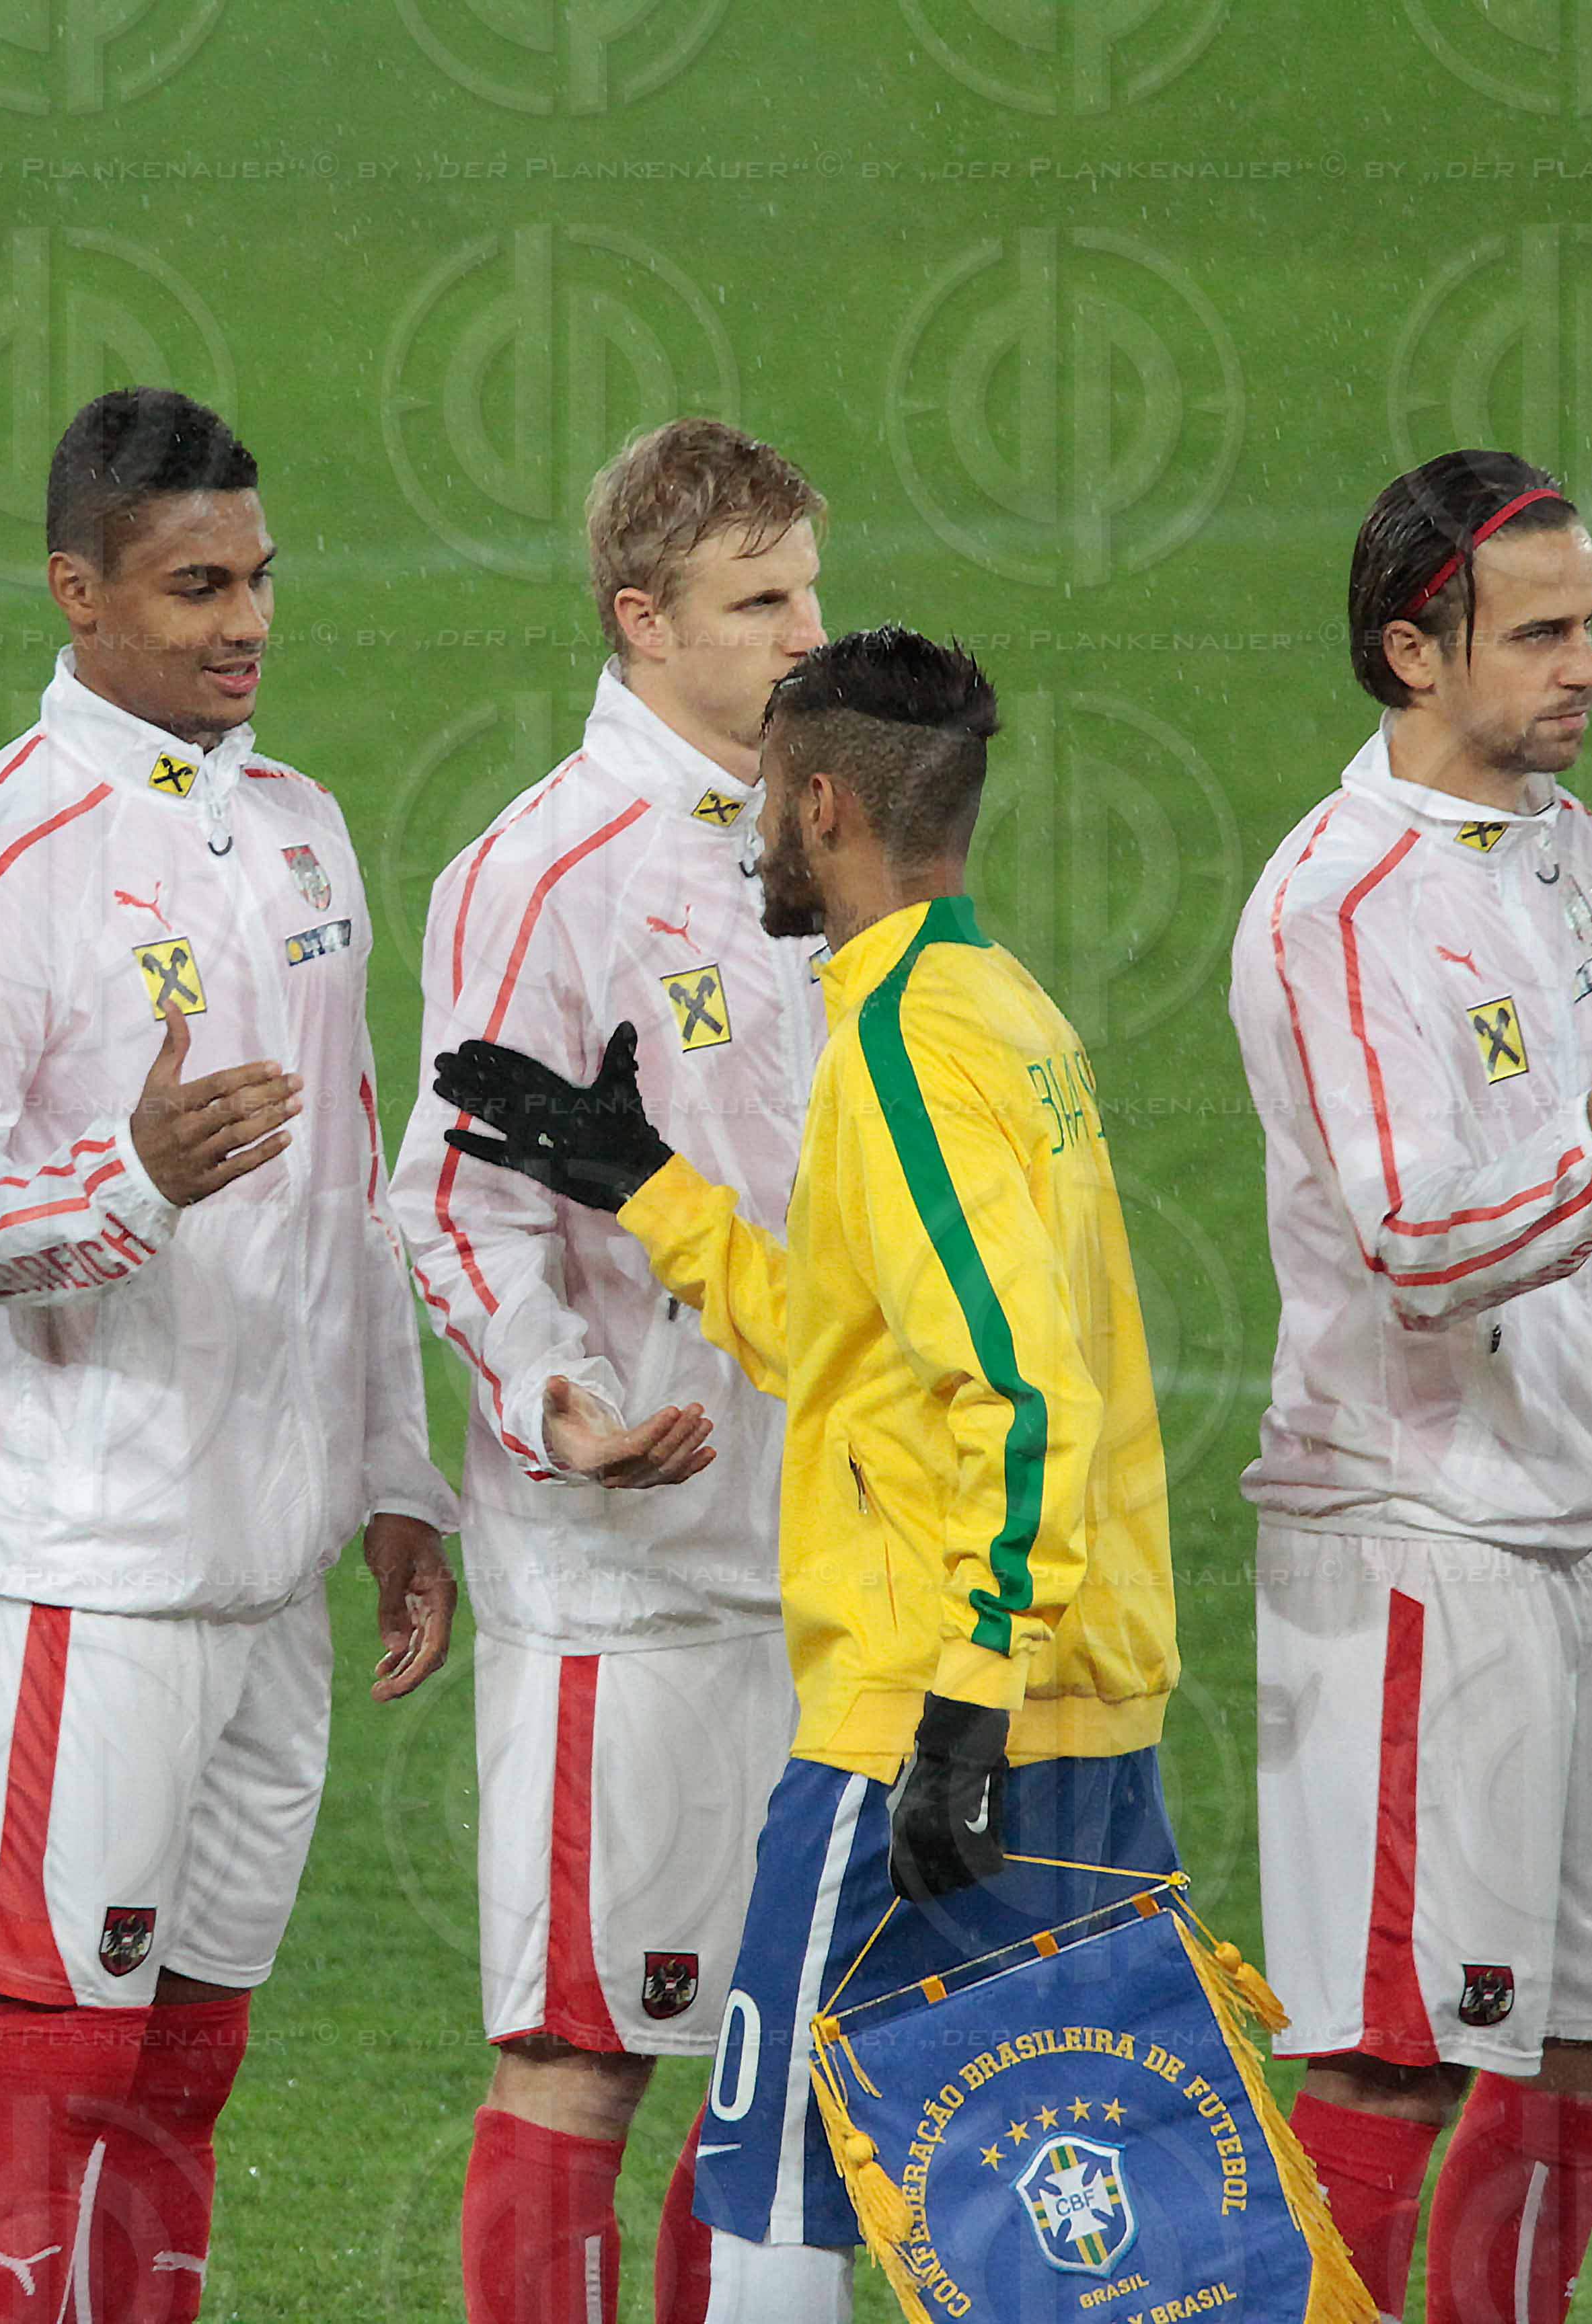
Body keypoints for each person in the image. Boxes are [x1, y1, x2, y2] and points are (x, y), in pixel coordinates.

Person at [433, 628, 1182, 2321]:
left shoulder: (904, 1054)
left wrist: (965, 1706)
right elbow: (859, 1352)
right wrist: (648, 1186)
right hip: (1089, 1703)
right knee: (1063, 2189)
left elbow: (1022, 1393)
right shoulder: (1005, 1013)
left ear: (826, 805)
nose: (753, 832)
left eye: (769, 799)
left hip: (927, 1710)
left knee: (784, 2163)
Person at [0, 385, 461, 2324]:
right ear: (79, 593)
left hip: (270, 1575)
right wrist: (129, 1183)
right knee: (58, 2069)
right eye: (198, 588)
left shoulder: (300, 832)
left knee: (189, 2070)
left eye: (259, 578)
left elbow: (354, 1187)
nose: (245, 621)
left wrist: (397, 1478)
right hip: (78, 1574)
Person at [1229, 451, 1592, 2324]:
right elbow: (1416, 1245)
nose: (1589, 665)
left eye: (1590, 624)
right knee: (1399, 2057)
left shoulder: (1567, 846)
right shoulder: (1339, 902)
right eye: (1540, 634)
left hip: (1570, 1526)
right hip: (1416, 1546)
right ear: (1412, 651)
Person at [389, 417, 828, 2324]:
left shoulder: (828, 844)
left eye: (811, 590)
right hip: (627, 1578)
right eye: (760, 602)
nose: (809, 636)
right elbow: (450, 1201)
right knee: (583, 2055)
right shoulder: (542, 869)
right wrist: (555, 1399)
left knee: (780, 2072)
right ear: (643, 620)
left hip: (829, 1559)